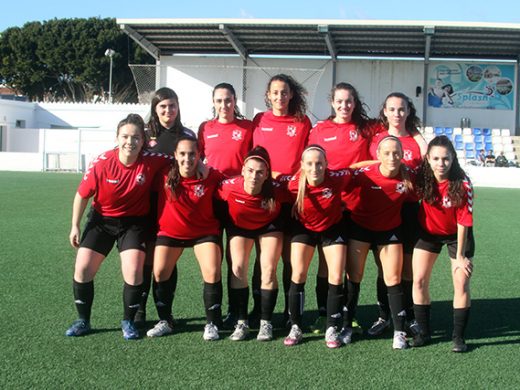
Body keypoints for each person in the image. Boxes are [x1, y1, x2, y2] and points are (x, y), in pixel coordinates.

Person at [65, 114, 173, 339]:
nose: (130, 142)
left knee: (134, 270)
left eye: (136, 137)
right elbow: (82, 195)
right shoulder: (103, 162)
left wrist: (200, 163)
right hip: (101, 221)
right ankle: (83, 320)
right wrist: (75, 225)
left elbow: (178, 159)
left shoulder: (152, 160)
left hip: (133, 224)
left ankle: (128, 321)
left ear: (143, 141)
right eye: (125, 136)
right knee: (83, 268)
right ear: (117, 138)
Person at [306, 82, 374, 335]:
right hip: (328, 206)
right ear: (332, 103)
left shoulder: (366, 128)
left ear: (355, 103)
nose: (344, 105)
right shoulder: (320, 129)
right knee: (327, 266)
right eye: (340, 101)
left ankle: (349, 315)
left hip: (357, 206)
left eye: (349, 101)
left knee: (353, 267)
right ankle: (324, 314)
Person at [146, 135, 224, 340]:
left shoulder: (212, 175)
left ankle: (212, 323)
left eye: (192, 154)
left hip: (204, 233)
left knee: (212, 270)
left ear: (199, 155)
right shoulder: (163, 174)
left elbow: (232, 185)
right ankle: (165, 320)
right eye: (182, 154)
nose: (187, 159)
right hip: (170, 232)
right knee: (160, 271)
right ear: (175, 155)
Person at [342, 136, 414, 350]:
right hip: (360, 228)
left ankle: (398, 331)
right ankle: (347, 325)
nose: (392, 157)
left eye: (396, 153)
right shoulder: (364, 174)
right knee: (354, 276)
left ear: (402, 155)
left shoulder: (408, 175)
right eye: (387, 153)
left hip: (389, 230)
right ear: (378, 155)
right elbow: (350, 169)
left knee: (392, 277)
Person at [251, 74, 312, 325]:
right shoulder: (258, 120)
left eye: (284, 92)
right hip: (266, 199)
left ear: (291, 95)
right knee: (265, 258)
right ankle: (259, 310)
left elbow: (308, 158)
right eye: (275, 92)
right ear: (268, 95)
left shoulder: (302, 122)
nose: (279, 97)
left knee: (290, 258)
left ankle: (291, 312)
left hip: (293, 200)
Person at [365, 92, 426, 337]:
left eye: (402, 109)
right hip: (384, 207)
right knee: (385, 268)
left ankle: (409, 315)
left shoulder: (417, 141)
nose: (397, 114)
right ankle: (384, 316)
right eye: (392, 109)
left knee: (408, 268)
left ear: (408, 112)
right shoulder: (377, 139)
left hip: (409, 210)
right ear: (385, 112)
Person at [135, 87, 197, 325]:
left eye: (172, 105)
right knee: (144, 259)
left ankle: (165, 312)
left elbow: (197, 162)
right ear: (155, 109)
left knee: (166, 260)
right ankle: (139, 310)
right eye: (162, 106)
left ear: (178, 107)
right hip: (145, 204)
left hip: (172, 207)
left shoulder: (187, 134)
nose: (168, 110)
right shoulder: (145, 133)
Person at [216, 146, 289, 341]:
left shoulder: (278, 189)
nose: (254, 176)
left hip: (269, 225)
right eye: (250, 170)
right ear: (242, 170)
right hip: (240, 227)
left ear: (267, 174)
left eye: (259, 172)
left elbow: (302, 186)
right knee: (238, 268)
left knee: (269, 269)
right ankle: (242, 321)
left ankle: (266, 322)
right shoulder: (228, 186)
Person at [283, 145, 351, 348]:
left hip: (332, 228)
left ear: (326, 164)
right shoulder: (293, 183)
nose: (315, 168)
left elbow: (359, 168)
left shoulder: (337, 177)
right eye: (310, 164)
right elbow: (273, 175)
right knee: (298, 274)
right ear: (302, 166)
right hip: (304, 228)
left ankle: (332, 326)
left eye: (319, 163)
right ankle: (295, 326)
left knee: (337, 276)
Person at [198, 82, 254, 328]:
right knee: (213, 258)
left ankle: (236, 311)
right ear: (213, 102)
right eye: (219, 100)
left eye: (228, 100)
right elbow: (197, 160)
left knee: (236, 259)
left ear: (235, 101)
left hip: (237, 201)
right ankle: (215, 313)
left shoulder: (246, 127)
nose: (224, 105)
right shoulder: (205, 128)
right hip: (211, 200)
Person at [412, 135, 475, 353]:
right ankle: (423, 332)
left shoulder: (463, 184)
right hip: (427, 233)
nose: (441, 164)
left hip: (457, 236)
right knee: (418, 280)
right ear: (428, 158)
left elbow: (463, 222)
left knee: (461, 281)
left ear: (453, 158)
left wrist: (459, 256)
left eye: (446, 159)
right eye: (436, 158)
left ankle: (458, 337)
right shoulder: (422, 177)